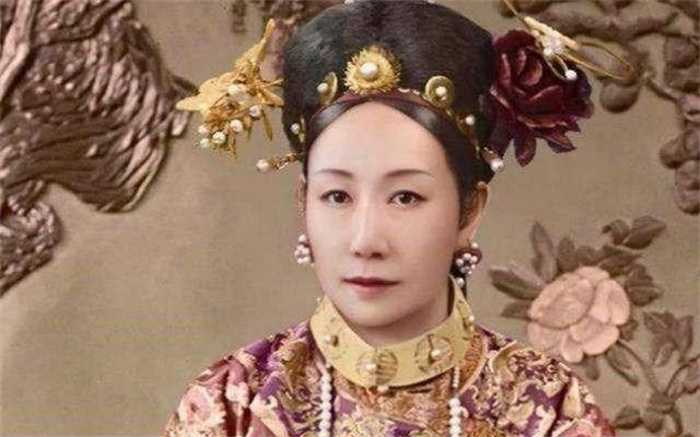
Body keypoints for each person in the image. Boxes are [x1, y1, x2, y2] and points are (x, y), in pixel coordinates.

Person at [164, 1, 634, 435]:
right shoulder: (233, 404)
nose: (366, 240)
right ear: (304, 203)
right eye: (337, 196)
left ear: (469, 210)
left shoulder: (545, 409)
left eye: (406, 197)